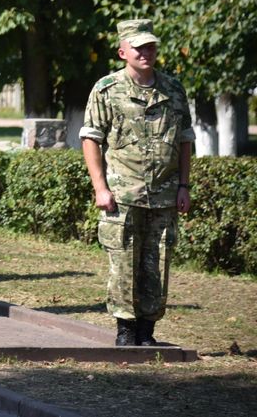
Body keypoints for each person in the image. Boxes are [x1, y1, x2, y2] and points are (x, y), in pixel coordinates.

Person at [79, 18, 193, 347]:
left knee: (158, 263)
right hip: (122, 193)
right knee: (124, 261)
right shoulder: (107, 90)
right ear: (122, 52)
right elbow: (91, 139)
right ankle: (125, 331)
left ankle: (147, 331)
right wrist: (100, 188)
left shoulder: (172, 89)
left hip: (164, 194)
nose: (146, 52)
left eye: (151, 46)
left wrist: (184, 186)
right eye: (139, 47)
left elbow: (185, 139)